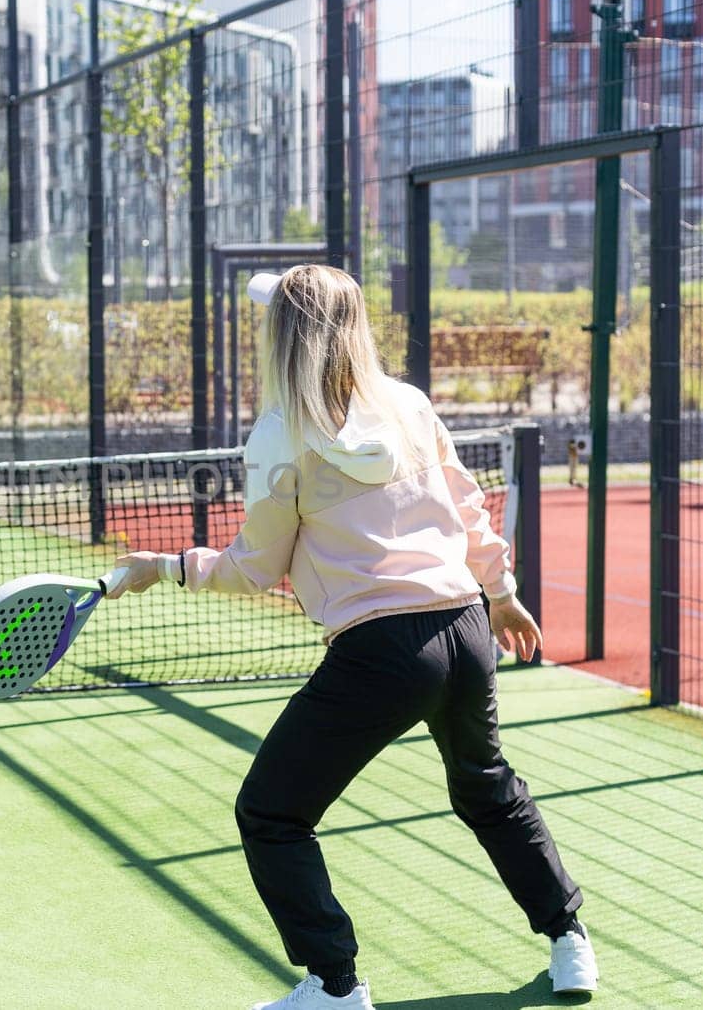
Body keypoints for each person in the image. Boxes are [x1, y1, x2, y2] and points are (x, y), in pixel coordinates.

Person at [106, 265, 596, 1008]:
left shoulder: (279, 437)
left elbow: (255, 566)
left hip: (382, 652)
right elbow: (466, 506)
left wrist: (167, 565)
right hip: (465, 631)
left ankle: (335, 986)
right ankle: (571, 941)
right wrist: (501, 593)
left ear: (282, 338)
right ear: (355, 327)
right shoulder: (407, 403)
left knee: (271, 811)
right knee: (487, 787)